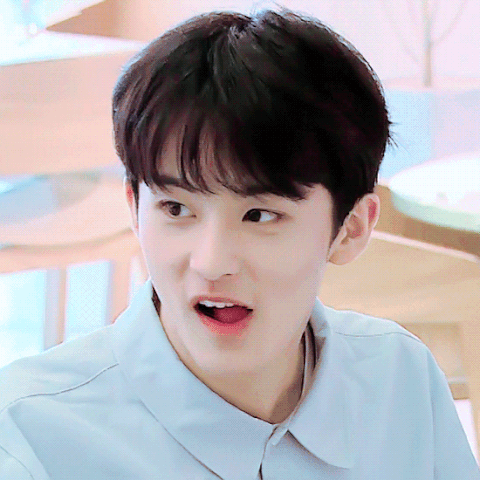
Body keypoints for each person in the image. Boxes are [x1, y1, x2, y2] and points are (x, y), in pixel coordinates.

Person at [0, 8, 478, 480]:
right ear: (134, 209)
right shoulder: (30, 437)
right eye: (175, 209)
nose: (211, 263)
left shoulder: (401, 382)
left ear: (351, 228)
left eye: (260, 215)